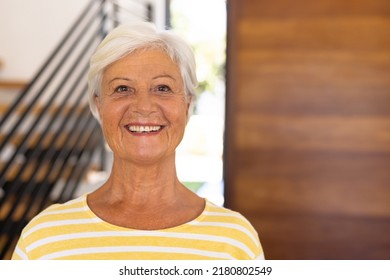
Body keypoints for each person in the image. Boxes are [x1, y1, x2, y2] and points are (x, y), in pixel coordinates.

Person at [11, 21, 264, 260]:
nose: (143, 107)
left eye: (162, 88)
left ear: (187, 105)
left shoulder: (235, 241)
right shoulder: (42, 239)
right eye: (122, 89)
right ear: (99, 106)